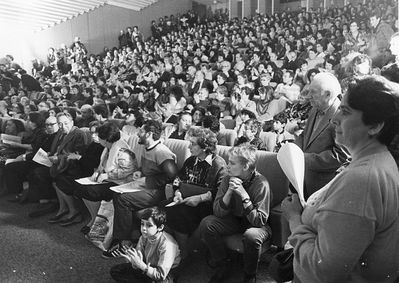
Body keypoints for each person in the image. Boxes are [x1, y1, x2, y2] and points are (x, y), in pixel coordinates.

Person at [281, 75, 399, 283]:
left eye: (345, 112)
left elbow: (322, 271)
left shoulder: (363, 180)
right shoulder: (374, 162)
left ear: (375, 126)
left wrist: (294, 220)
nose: (335, 119)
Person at [104, 120, 178, 258]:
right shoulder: (146, 148)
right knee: (116, 191)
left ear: (149, 134)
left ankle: (124, 243)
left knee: (122, 199)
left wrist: (147, 180)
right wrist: (140, 172)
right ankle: (128, 237)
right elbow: (150, 170)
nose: (138, 134)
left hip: (160, 192)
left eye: (141, 131)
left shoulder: (161, 152)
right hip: (147, 187)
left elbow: (172, 176)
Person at [199, 145, 271, 283]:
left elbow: (260, 221)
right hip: (234, 220)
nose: (227, 166)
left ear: (245, 166)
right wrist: (230, 192)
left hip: (257, 225)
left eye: (232, 163)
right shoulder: (228, 178)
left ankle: (250, 274)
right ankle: (223, 263)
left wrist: (244, 195)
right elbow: (218, 212)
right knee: (207, 223)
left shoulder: (262, 184)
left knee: (251, 235)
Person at [164, 128, 227, 257]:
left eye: (193, 144)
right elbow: (177, 180)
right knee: (161, 208)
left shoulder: (219, 165)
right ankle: (167, 252)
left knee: (179, 214)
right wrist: (177, 193)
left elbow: (222, 193)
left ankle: (183, 254)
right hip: (184, 200)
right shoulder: (190, 161)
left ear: (204, 147)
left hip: (205, 206)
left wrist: (201, 198)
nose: (188, 146)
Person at [293, 72, 350, 199]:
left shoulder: (342, 116)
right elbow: (305, 135)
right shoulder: (315, 108)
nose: (308, 97)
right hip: (305, 180)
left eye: (313, 92)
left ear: (328, 94)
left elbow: (341, 155)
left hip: (324, 186)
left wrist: (304, 159)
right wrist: (294, 151)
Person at [110, 207, 181, 283]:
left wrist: (141, 265)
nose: (143, 228)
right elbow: (139, 261)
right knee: (116, 270)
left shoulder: (167, 245)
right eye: (142, 224)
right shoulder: (144, 237)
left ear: (160, 227)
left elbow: (160, 275)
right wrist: (133, 262)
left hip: (165, 273)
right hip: (147, 266)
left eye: (149, 225)